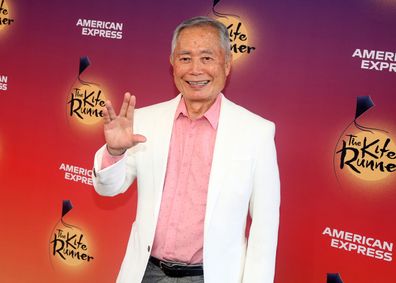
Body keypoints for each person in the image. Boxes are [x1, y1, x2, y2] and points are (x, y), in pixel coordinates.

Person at [92, 16, 280, 283]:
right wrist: (115, 151)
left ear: (226, 64)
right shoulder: (144, 122)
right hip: (146, 272)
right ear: (172, 63)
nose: (195, 70)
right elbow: (107, 189)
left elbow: (265, 227)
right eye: (185, 58)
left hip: (211, 276)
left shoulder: (256, 132)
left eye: (206, 58)